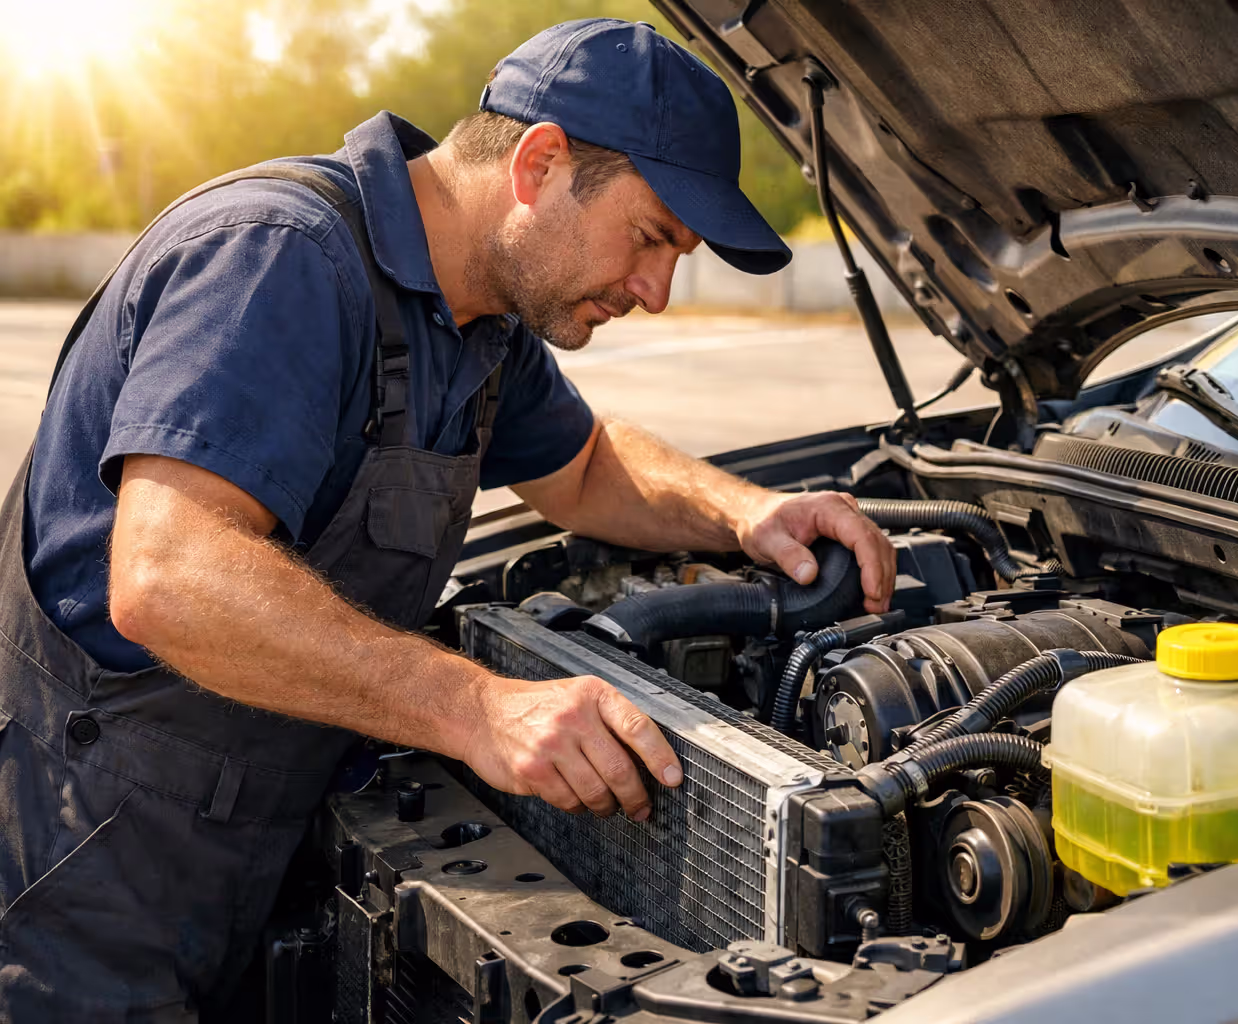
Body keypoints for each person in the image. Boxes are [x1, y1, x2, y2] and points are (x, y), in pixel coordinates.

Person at [0, 19, 896, 1019]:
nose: (656, 291)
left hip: (249, 841)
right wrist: (477, 709)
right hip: (76, 871)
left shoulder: (478, 321)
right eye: (652, 237)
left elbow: (588, 465)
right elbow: (169, 575)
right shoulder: (281, 259)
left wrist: (751, 513)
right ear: (540, 162)